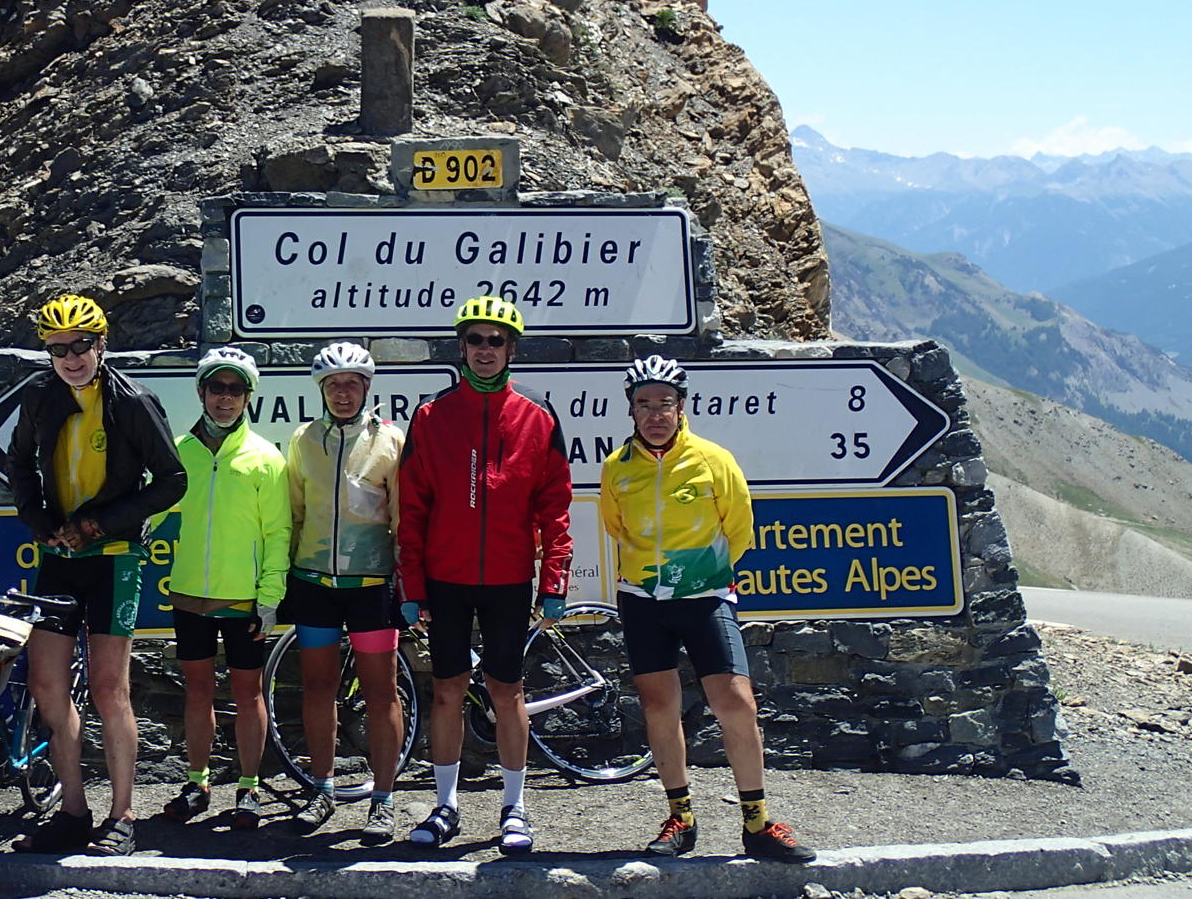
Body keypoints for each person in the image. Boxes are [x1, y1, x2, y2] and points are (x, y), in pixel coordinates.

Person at [597, 355, 815, 863]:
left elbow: (739, 528)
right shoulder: (616, 468)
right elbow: (616, 527)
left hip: (706, 597)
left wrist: (700, 574)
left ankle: (758, 823)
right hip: (643, 600)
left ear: (682, 407)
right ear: (631, 410)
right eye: (644, 405)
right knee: (659, 707)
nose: (655, 414)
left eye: (664, 404)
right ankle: (681, 818)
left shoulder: (714, 460)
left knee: (736, 701)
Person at [7, 295, 187, 856]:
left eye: (81, 345)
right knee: (46, 687)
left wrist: (99, 523)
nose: (70, 357)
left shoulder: (133, 400)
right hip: (61, 557)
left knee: (110, 689)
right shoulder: (39, 395)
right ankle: (73, 810)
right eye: (58, 349)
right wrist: (40, 522)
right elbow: (16, 462)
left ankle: (123, 814)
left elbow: (171, 480)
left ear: (101, 343)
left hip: (115, 557)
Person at [397, 296, 571, 854]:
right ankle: (445, 805)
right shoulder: (431, 415)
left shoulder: (538, 417)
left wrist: (555, 580)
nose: (486, 350)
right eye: (476, 339)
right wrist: (412, 585)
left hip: (508, 577)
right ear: (462, 347)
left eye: (497, 341)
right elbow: (413, 507)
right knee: (446, 689)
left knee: (507, 690)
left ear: (512, 349)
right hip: (447, 577)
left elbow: (556, 508)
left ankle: (514, 808)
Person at [159, 346, 292, 831]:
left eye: (236, 390)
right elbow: (150, 512)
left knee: (247, 693)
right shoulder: (178, 450)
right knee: (197, 692)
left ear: (248, 397)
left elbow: (278, 532)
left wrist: (270, 598)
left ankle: (250, 787)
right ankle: (198, 783)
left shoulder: (264, 457)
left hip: (243, 599)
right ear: (201, 391)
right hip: (191, 593)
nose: (225, 398)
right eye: (217, 387)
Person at [281, 342, 406, 842]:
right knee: (318, 688)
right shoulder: (302, 440)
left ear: (367, 388)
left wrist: (406, 577)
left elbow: (401, 516)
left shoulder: (390, 441)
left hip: (371, 585)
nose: (343, 392)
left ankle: (384, 799)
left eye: (352, 383)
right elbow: (293, 513)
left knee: (380, 693)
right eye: (333, 384)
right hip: (314, 582)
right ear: (321, 390)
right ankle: (322, 787)